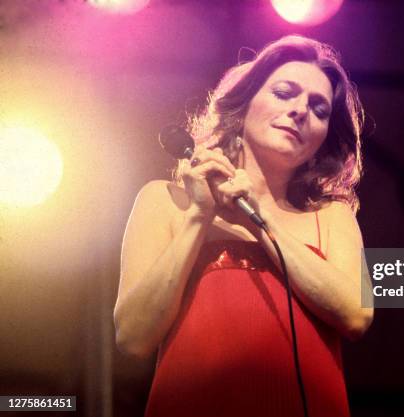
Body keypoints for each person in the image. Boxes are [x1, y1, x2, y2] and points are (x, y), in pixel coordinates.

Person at [113, 34, 374, 417]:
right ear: (245, 104)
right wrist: (199, 218)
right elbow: (133, 338)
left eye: (319, 109)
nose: (301, 110)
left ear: (323, 139)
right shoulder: (165, 200)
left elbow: (356, 315)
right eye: (285, 93)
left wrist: (261, 218)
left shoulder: (333, 216)